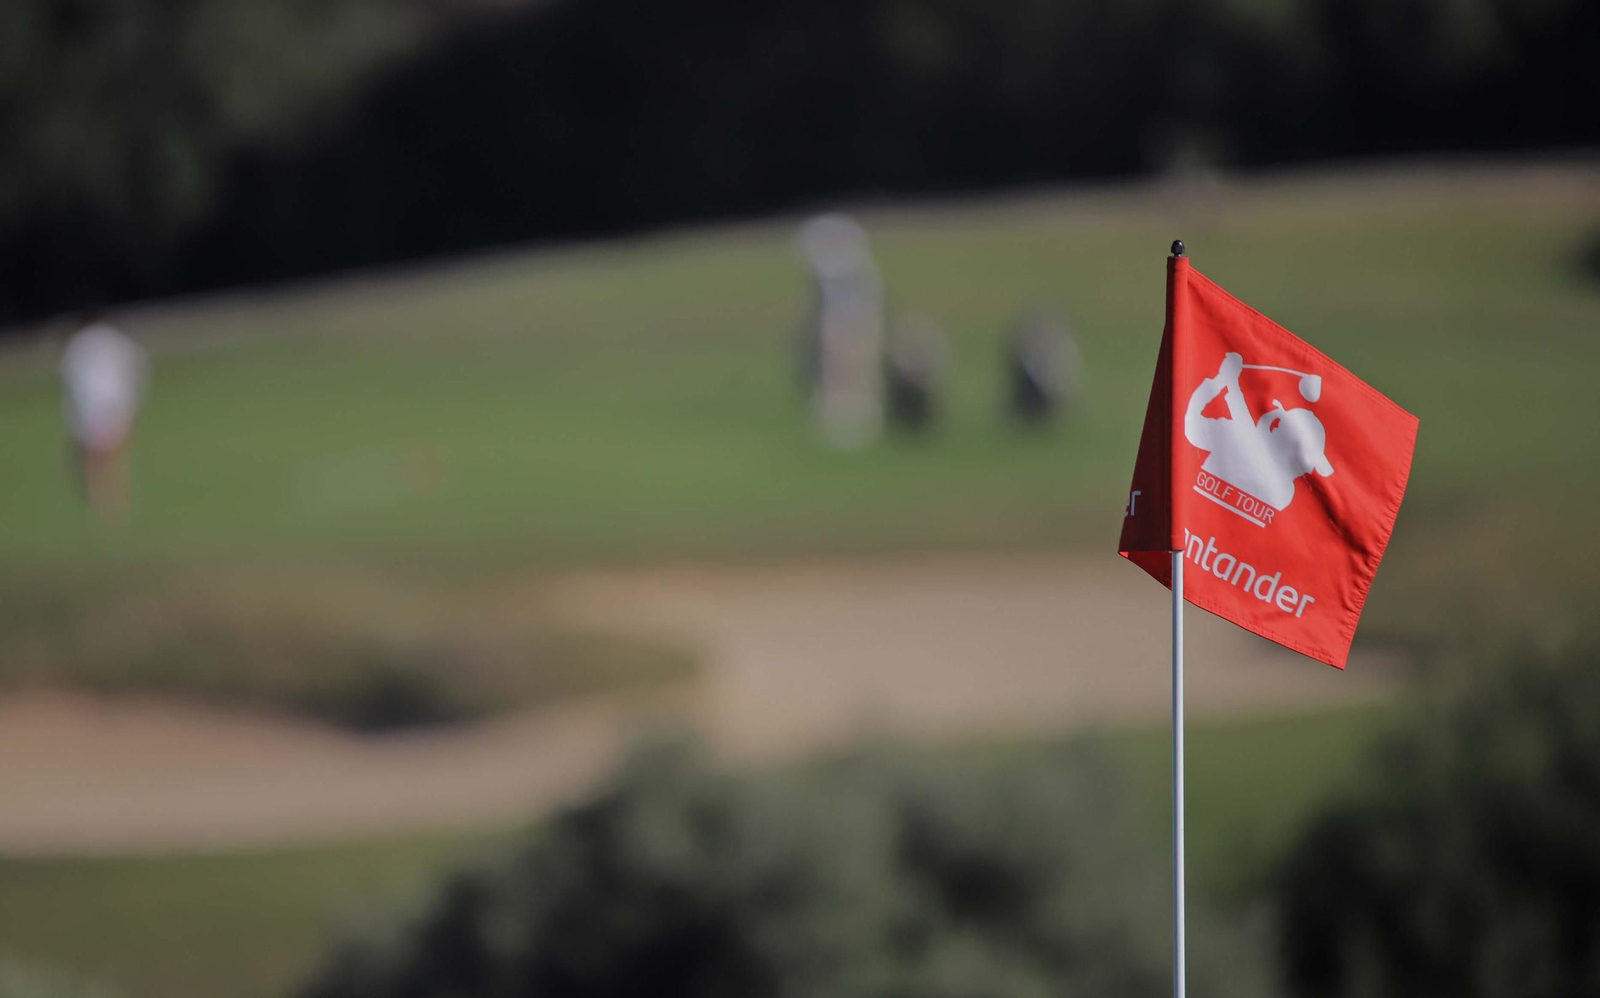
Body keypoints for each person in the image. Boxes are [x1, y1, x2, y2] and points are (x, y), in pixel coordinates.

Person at [1184, 351, 1332, 511]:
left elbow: (1253, 447)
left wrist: (1230, 383)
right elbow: (1192, 424)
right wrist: (1220, 382)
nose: (1276, 425)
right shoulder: (1233, 434)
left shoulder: (1284, 492)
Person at [795, 214, 885, 449]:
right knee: (837, 367)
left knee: (856, 367)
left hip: (855, 320)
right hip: (839, 320)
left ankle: (857, 416)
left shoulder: (856, 272)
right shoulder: (834, 273)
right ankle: (838, 415)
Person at [61, 315, 148, 521]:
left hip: (94, 405)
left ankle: (103, 500)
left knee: (94, 456)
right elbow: (138, 367)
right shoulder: (115, 339)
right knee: (113, 454)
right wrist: (133, 403)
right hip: (117, 403)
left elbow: (73, 379)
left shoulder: (78, 343)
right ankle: (114, 498)